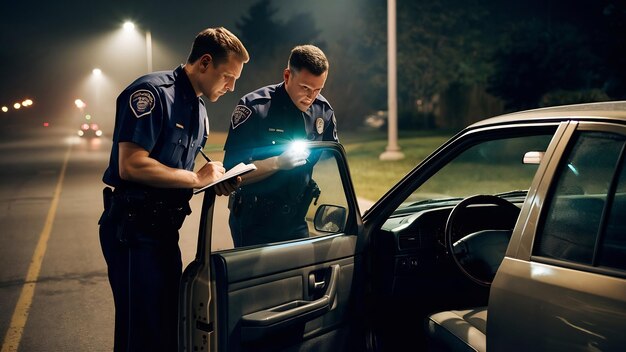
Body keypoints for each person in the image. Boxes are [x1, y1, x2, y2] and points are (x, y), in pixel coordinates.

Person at [98, 27, 249, 351]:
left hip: (164, 232)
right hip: (132, 231)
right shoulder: (152, 93)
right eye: (228, 76)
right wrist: (196, 178)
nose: (231, 86)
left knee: (166, 324)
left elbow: (174, 173)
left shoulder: (199, 113)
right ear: (205, 63)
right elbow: (132, 164)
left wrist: (214, 180)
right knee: (139, 331)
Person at [223, 44, 338, 247]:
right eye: (305, 88)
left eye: (318, 89)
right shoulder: (255, 107)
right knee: (256, 279)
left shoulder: (323, 111)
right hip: (255, 221)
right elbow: (231, 175)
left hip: (296, 220)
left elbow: (333, 160)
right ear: (287, 76)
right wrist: (277, 163)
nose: (311, 97)